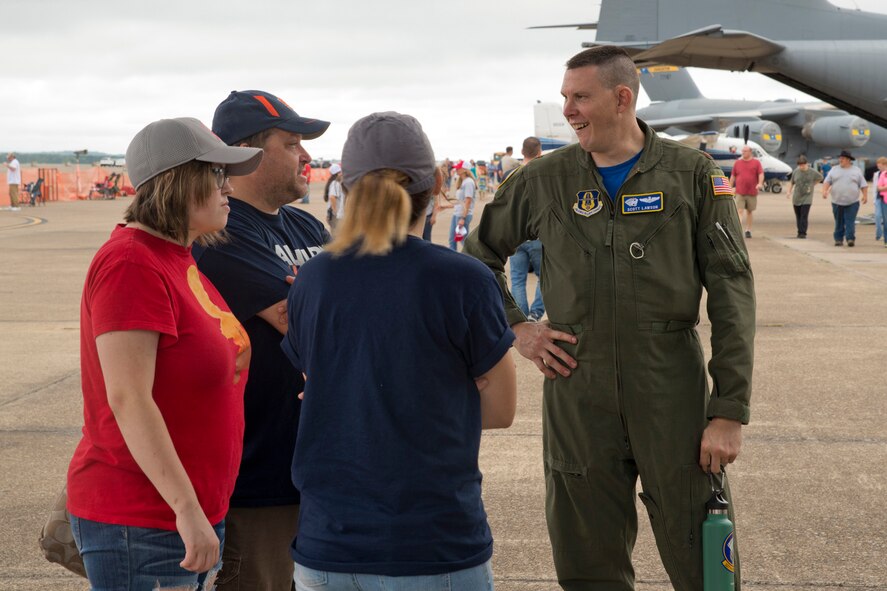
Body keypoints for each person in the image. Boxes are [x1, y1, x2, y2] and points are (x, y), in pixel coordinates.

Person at [464, 46, 755, 591]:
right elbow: (478, 257)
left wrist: (729, 410)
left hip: (671, 388)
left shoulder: (689, 175)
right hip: (577, 390)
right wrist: (518, 327)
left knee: (705, 559)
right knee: (586, 561)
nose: (569, 110)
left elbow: (732, 291)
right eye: (565, 98)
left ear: (622, 98)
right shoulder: (544, 179)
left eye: (580, 97)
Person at [281, 111, 517, 590]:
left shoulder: (313, 279)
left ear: (344, 186)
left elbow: (322, 390)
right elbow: (499, 408)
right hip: (434, 544)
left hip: (329, 544)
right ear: (433, 187)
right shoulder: (463, 279)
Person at [66, 117, 261, 590]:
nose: (229, 189)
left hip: (182, 514)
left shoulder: (175, 256)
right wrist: (186, 508)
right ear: (178, 182)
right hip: (146, 520)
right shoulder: (132, 263)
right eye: (217, 175)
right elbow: (129, 397)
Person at [192, 90, 331, 591]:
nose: (308, 156)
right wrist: (333, 303)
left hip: (321, 471)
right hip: (260, 480)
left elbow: (355, 312)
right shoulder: (222, 235)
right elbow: (313, 324)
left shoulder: (307, 224)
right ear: (247, 154)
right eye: (292, 143)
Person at [508, 136, 545, 321]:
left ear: (522, 152)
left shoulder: (510, 175)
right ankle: (535, 313)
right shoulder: (543, 175)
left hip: (516, 235)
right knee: (545, 277)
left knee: (517, 279)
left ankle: (521, 316)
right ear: (539, 152)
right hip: (537, 235)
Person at [822, 149, 867, 247]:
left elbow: (863, 184)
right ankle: (838, 239)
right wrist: (824, 191)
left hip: (852, 202)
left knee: (849, 221)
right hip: (836, 201)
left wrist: (865, 196)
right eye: (840, 158)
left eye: (842, 158)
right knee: (839, 222)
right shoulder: (834, 169)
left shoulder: (856, 170)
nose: (840, 160)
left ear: (848, 160)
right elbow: (827, 182)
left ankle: (850, 238)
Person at [784, 155, 823, 239]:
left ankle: (803, 233)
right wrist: (788, 192)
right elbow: (792, 182)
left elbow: (820, 177)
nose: (801, 167)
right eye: (800, 165)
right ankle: (799, 231)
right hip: (797, 196)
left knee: (804, 215)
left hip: (807, 197)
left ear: (806, 164)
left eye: (803, 165)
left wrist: (813, 184)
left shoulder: (812, 172)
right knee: (798, 215)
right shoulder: (796, 171)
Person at [729, 145, 764, 238]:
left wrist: (760, 183)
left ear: (750, 152)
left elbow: (760, 174)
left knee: (749, 211)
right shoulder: (737, 163)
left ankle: (748, 230)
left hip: (752, 192)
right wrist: (729, 187)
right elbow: (733, 176)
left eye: (745, 151)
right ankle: (738, 230)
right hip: (740, 191)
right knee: (739, 211)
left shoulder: (756, 163)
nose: (743, 152)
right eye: (742, 151)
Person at [449, 166, 476, 250]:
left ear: (464, 169)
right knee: (452, 239)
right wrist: (443, 206)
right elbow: (460, 201)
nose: (456, 169)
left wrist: (463, 218)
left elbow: (468, 201)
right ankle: (453, 259)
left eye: (458, 168)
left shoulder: (468, 182)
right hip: (457, 214)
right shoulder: (462, 181)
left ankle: (472, 258)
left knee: (463, 240)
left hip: (463, 215)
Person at [872, 157, 887, 242]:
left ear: (884, 165)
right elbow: (875, 187)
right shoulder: (877, 174)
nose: (878, 166)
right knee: (877, 216)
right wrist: (874, 199)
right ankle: (878, 232)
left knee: (885, 218)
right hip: (878, 198)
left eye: (879, 165)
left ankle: (885, 237)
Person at [325, 163, 344, 230]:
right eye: (340, 172)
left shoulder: (334, 183)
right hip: (335, 215)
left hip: (334, 215)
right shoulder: (335, 183)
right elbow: (332, 197)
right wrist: (335, 212)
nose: (341, 174)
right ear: (337, 173)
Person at [876, 157, 887, 246]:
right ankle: (886, 240)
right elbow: (878, 188)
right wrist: (885, 188)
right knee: (885, 220)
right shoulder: (883, 174)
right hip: (884, 200)